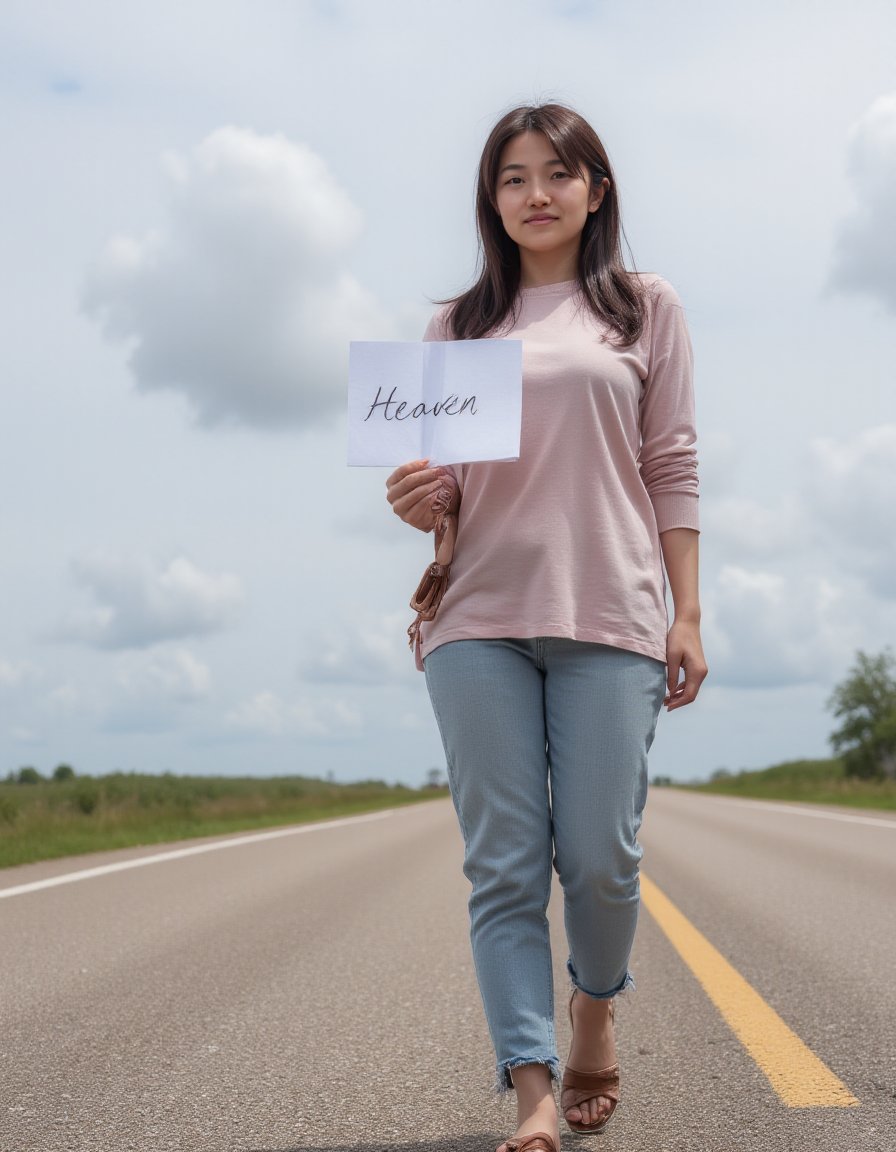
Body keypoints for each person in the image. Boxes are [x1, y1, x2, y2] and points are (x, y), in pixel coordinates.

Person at [385, 102, 707, 1152]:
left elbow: (669, 462)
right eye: (513, 177)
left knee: (602, 857)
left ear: (594, 191)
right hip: (476, 618)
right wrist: (417, 500)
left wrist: (686, 611)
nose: (535, 193)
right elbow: (445, 497)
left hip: (610, 612)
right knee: (505, 867)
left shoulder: (641, 308)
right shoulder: (456, 329)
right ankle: (527, 1089)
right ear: (491, 198)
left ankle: (594, 1009)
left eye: (556, 174)